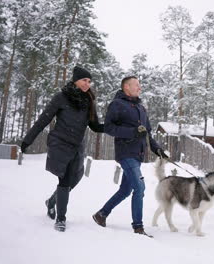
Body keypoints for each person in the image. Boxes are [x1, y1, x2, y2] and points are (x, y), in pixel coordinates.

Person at [21, 66, 104, 232]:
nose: (87, 84)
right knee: (65, 180)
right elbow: (43, 119)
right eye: (84, 80)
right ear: (75, 80)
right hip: (60, 143)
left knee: (75, 179)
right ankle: (61, 218)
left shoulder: (88, 101)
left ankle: (51, 201)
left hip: (77, 146)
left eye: (89, 81)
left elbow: (95, 126)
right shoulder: (61, 97)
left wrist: (116, 127)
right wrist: (27, 140)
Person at [92, 76, 168, 237]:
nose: (140, 88)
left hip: (138, 154)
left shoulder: (141, 107)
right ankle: (138, 227)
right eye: (137, 85)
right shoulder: (117, 105)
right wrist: (132, 132)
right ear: (126, 86)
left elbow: (147, 134)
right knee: (140, 188)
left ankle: (101, 214)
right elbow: (109, 128)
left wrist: (158, 150)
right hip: (126, 153)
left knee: (126, 190)